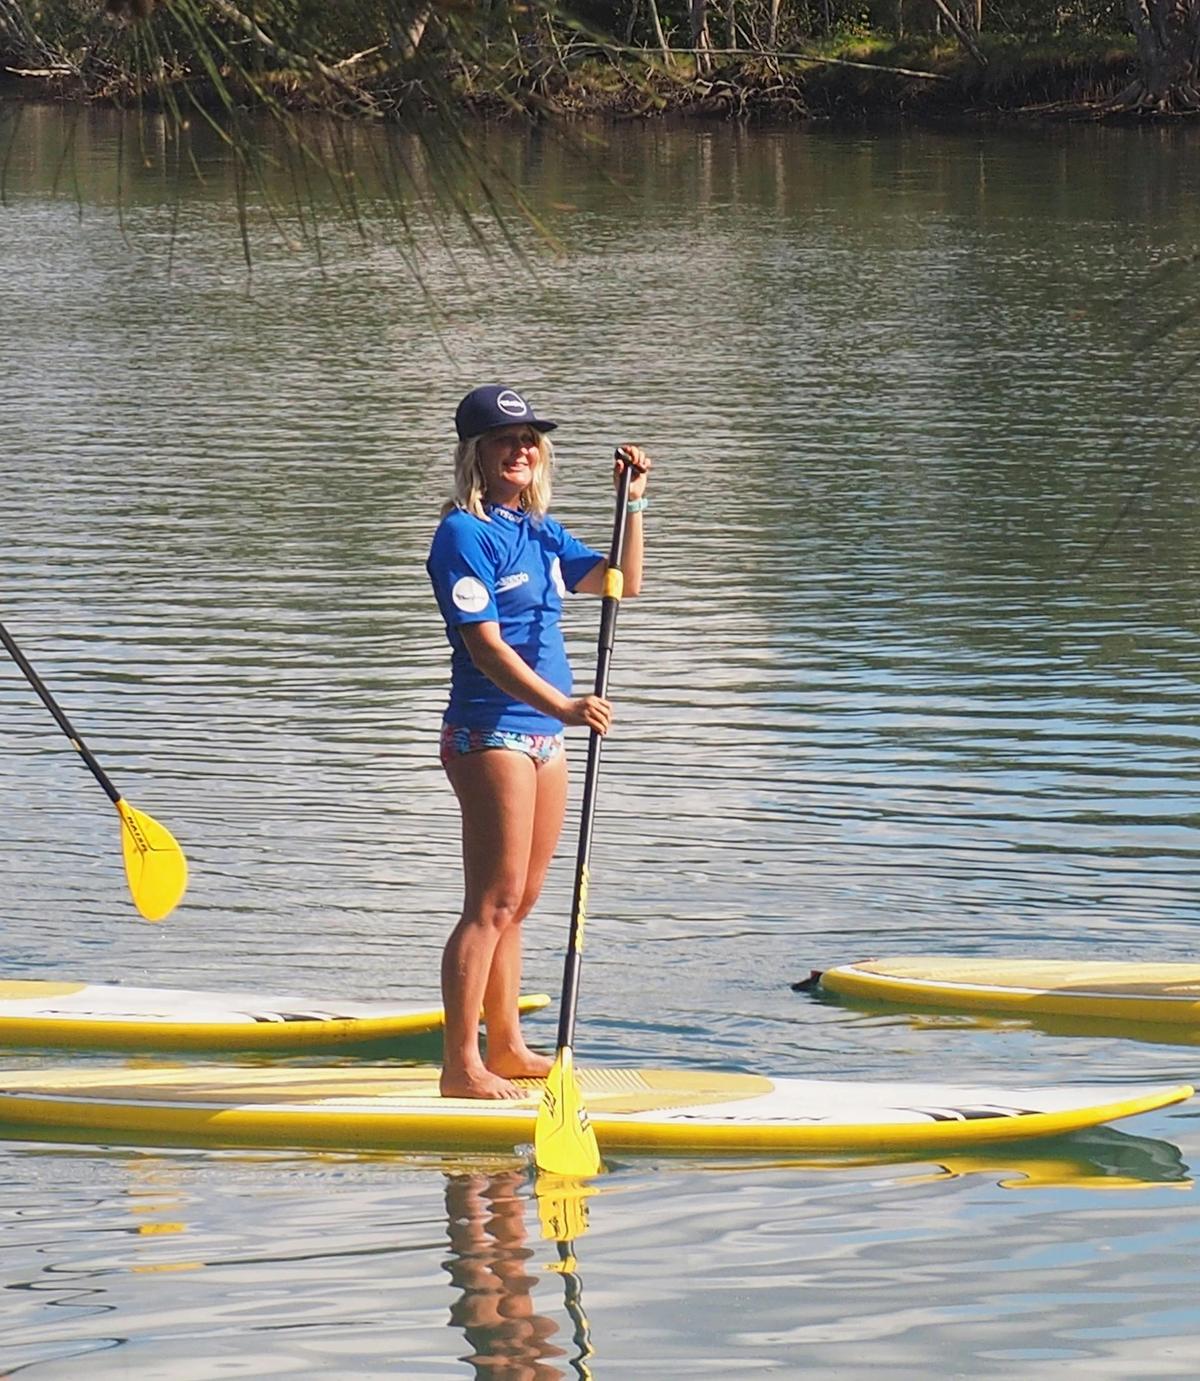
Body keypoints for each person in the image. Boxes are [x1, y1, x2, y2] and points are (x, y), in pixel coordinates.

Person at [426, 385, 652, 1099]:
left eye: (529, 440)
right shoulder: (463, 534)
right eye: (504, 441)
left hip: (546, 735)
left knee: (520, 903)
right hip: (488, 729)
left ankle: (510, 1046)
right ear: (477, 455)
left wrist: (634, 502)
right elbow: (486, 649)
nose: (520, 449)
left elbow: (624, 581)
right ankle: (460, 1064)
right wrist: (563, 702)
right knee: (489, 902)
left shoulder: (539, 529)